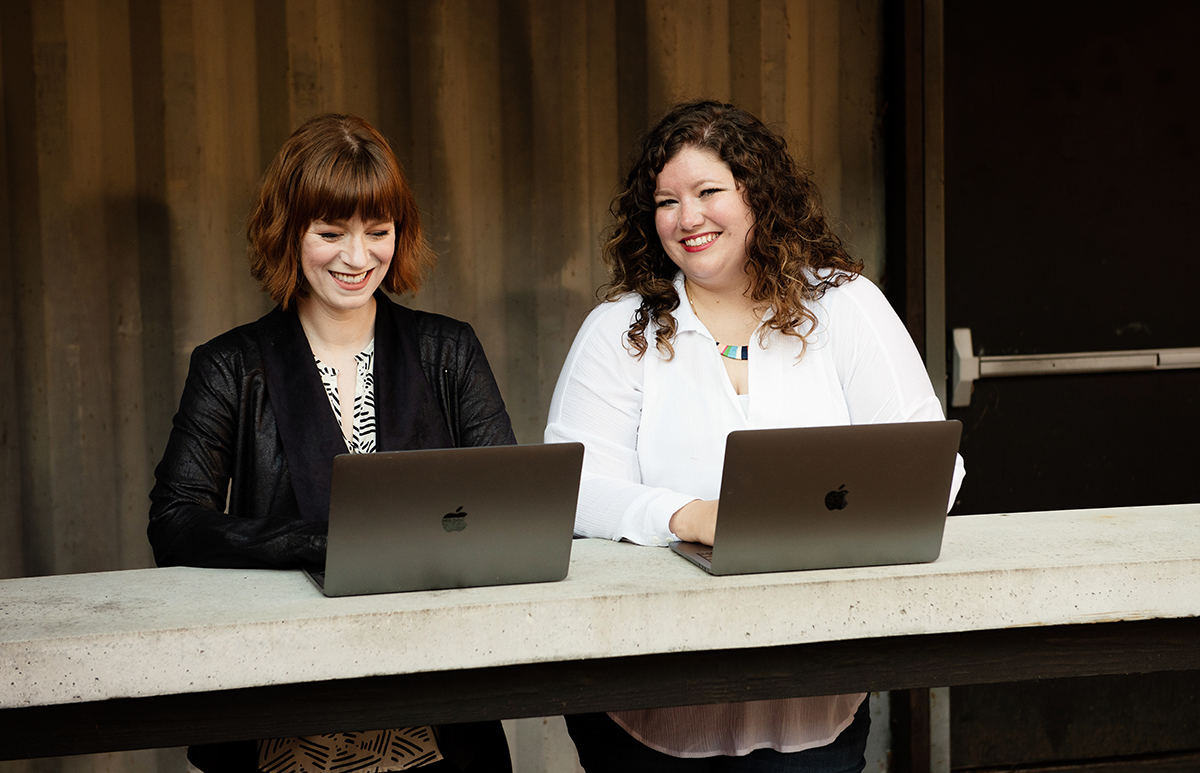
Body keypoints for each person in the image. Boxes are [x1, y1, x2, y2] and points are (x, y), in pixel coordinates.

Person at [545, 101, 966, 771]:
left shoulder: (845, 306)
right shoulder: (620, 327)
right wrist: (691, 515)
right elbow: (572, 487)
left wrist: (834, 521)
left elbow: (933, 467)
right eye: (666, 200)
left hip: (813, 694)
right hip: (648, 699)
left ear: (759, 196)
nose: (687, 218)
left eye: (709, 191)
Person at [149, 114, 514, 773]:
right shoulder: (230, 365)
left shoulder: (448, 351)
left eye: (378, 231)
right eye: (331, 233)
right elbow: (175, 523)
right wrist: (323, 544)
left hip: (436, 711)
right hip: (281, 711)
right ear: (288, 232)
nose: (357, 257)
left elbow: (509, 510)